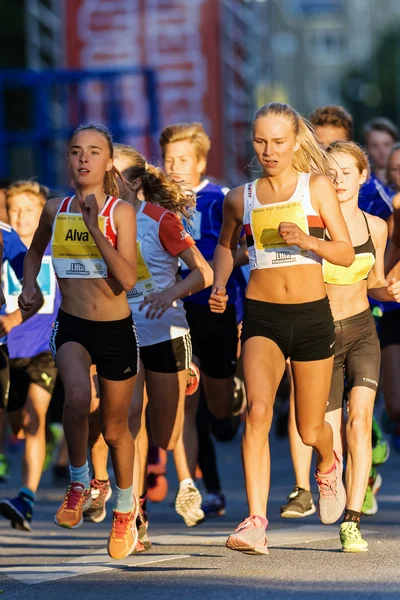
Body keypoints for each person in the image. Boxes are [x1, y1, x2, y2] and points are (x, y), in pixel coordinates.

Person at [210, 101, 354, 555]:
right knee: (257, 411)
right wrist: (218, 281)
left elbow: (346, 253)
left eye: (278, 141)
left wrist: (307, 240)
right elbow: (224, 245)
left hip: (311, 317)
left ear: (295, 142)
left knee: (311, 430)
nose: (269, 150)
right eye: (260, 141)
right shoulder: (241, 197)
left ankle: (328, 466)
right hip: (261, 317)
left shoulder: (316, 188)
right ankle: (255, 521)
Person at [18, 123, 140, 560]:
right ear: (68, 160)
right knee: (73, 400)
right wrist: (29, 285)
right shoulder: (55, 209)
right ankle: (78, 479)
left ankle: (125, 510)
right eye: (75, 151)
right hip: (72, 325)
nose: (84, 158)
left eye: (93, 152)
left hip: (115, 331)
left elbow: (126, 279)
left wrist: (95, 230)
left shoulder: (121, 213)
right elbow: (34, 252)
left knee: (114, 428)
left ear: (108, 163)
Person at [281, 141, 400, 551]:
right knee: (318, 431)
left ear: (364, 176)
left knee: (360, 421)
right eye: (331, 173)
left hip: (364, 330)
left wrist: (392, 290)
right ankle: (327, 471)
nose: (339, 180)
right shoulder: (311, 226)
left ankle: (352, 519)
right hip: (320, 336)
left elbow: (376, 284)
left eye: (347, 172)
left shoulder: (377, 227)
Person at [160, 122, 247, 522]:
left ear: (200, 161)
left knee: (220, 414)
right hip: (177, 310)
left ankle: (235, 398)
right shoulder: (156, 203)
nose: (174, 166)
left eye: (182, 159)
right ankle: (196, 489)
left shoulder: (220, 198)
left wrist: (216, 272)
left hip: (215, 307)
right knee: (186, 402)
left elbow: (245, 251)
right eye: (168, 159)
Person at [0, 181, 60, 531]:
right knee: (16, 424)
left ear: (44, 213)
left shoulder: (56, 248)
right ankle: (43, 438)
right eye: (14, 210)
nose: (21, 217)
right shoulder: (5, 242)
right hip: (9, 349)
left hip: (44, 347)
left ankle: (26, 498)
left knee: (35, 416)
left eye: (29, 210)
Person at [359, 117, 398, 220]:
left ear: (395, 144)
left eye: (387, 144)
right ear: (366, 148)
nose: (382, 151)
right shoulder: (361, 185)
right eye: (375, 145)